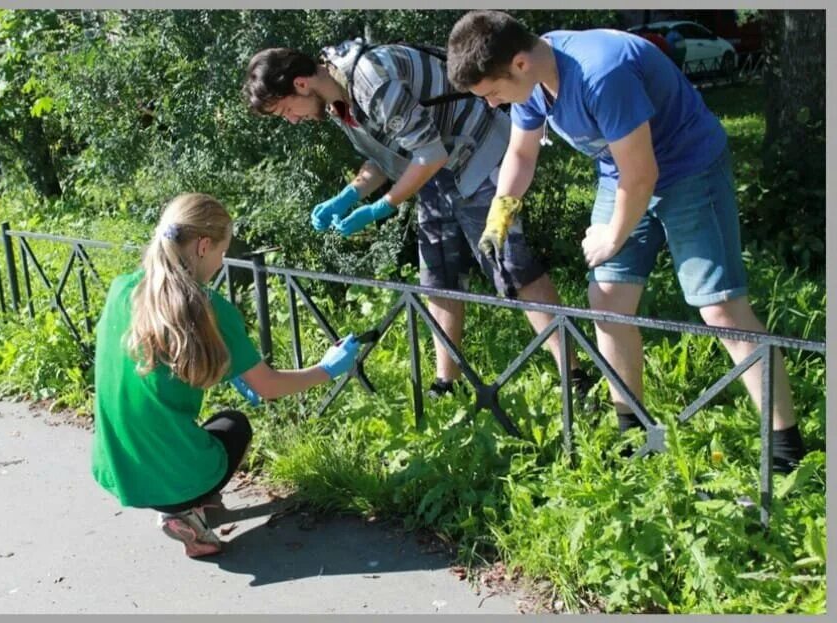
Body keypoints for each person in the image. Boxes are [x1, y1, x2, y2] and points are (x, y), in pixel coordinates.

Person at [445, 10, 805, 471]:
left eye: (492, 94)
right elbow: (521, 153)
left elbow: (643, 175)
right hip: (625, 176)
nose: (493, 104)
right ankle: (632, 431)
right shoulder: (533, 80)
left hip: (688, 169)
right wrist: (500, 215)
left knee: (720, 309)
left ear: (517, 63)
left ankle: (786, 449)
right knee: (607, 299)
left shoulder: (601, 73)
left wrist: (612, 238)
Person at [243, 40, 595, 403]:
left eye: (286, 110)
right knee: (438, 274)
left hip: (476, 153)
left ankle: (576, 376)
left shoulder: (368, 78)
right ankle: (448, 383)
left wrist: (381, 207)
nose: (293, 119)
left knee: (510, 265)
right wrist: (348, 196)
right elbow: (387, 158)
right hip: (437, 168)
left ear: (301, 84)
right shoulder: (338, 104)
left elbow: (429, 154)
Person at [91, 193, 361, 558]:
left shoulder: (121, 289)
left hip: (116, 467)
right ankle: (186, 512)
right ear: (203, 246)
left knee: (194, 427)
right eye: (222, 252)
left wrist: (226, 367)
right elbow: (267, 386)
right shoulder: (210, 309)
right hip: (173, 477)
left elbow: (158, 362)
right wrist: (327, 369)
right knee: (234, 426)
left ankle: (187, 503)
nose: (221, 263)